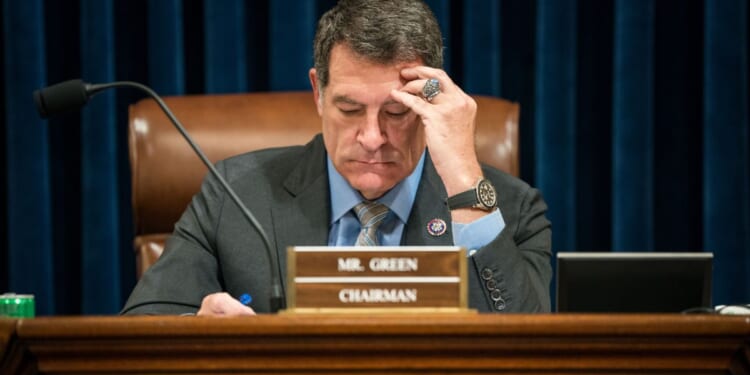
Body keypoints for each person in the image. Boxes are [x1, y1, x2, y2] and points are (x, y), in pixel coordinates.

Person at [122, 0, 551, 316]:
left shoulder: (510, 210)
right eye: (349, 110)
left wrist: (463, 179)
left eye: (396, 112)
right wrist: (199, 332)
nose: (371, 137)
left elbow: (532, 352)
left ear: (429, 106)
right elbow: (140, 327)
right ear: (318, 93)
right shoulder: (235, 194)